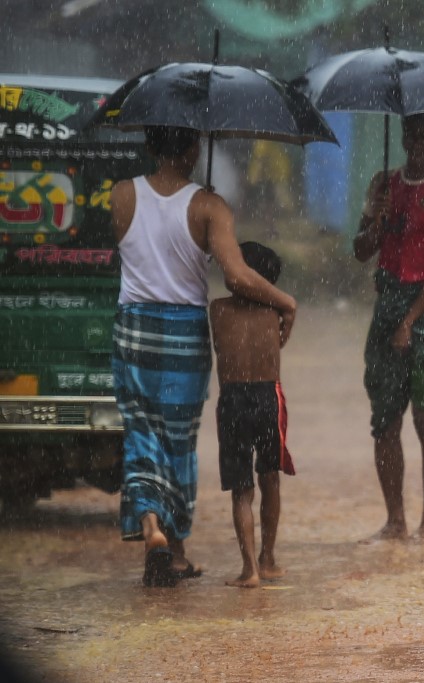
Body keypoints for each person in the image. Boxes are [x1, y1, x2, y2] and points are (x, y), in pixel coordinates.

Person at [110, 125, 297, 588]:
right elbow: (236, 276)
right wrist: (285, 301)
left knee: (141, 432)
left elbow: (134, 251)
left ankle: (150, 524)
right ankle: (175, 550)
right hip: (184, 334)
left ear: (151, 145)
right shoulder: (210, 206)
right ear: (194, 148)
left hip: (133, 328)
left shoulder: (120, 195)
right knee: (179, 440)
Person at [353, 112, 424, 541]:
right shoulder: (381, 185)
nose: (416, 144)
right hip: (387, 306)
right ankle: (395, 519)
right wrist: (375, 222)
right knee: (385, 419)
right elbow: (361, 251)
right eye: (410, 134)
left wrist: (411, 319)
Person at [210, 242, 296, 588]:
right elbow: (281, 343)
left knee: (241, 490)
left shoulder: (216, 309)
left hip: (232, 399)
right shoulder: (276, 312)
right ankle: (269, 558)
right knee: (270, 477)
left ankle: (250, 570)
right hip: (267, 396)